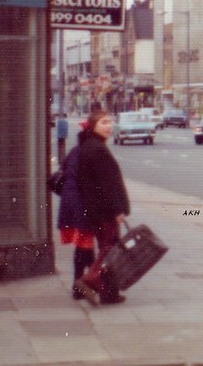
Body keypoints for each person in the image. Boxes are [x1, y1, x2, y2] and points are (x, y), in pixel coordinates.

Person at [73, 109, 131, 306]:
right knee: (110, 248)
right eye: (104, 122)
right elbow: (107, 185)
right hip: (105, 211)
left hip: (95, 210)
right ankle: (90, 279)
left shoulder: (89, 146)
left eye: (110, 122)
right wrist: (117, 211)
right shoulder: (97, 149)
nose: (109, 126)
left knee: (107, 247)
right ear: (94, 126)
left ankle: (109, 294)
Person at [56, 125, 95, 301]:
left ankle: (81, 284)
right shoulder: (89, 153)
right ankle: (86, 283)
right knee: (85, 244)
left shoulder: (75, 151)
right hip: (81, 203)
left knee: (83, 244)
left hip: (70, 203)